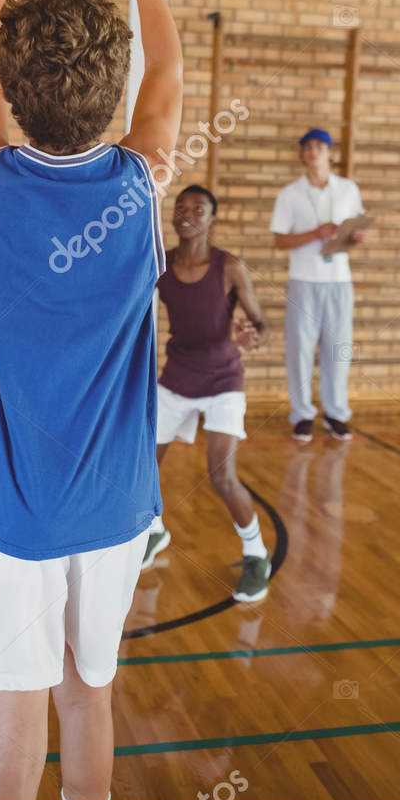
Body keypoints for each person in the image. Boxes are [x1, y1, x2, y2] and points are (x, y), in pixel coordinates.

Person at [0, 0, 181, 800]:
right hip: (119, 507)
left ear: (17, 91)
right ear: (113, 88)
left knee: (9, 730)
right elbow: (165, 71)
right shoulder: (141, 185)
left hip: (20, 514)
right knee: (90, 695)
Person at [145, 184, 273, 602]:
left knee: (221, 475)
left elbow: (261, 323)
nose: (187, 214)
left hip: (222, 380)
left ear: (211, 220)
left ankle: (256, 554)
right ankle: (155, 529)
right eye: (181, 207)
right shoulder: (161, 264)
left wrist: (254, 336)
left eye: (198, 209)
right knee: (143, 465)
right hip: (178, 376)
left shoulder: (229, 267)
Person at [269, 128, 369, 443]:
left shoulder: (348, 190)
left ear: (330, 153)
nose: (313, 152)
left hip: (339, 281)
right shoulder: (290, 194)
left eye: (319, 147)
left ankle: (336, 413)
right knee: (299, 350)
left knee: (338, 349)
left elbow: (359, 228)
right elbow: (279, 240)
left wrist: (359, 237)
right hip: (304, 280)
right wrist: (315, 233)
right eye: (308, 147)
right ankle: (302, 415)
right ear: (303, 154)